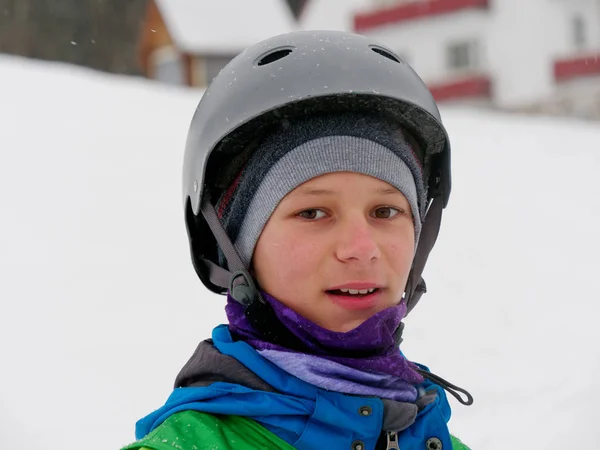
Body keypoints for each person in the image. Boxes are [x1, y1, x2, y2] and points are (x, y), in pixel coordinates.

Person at [121, 30, 473, 450]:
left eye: (385, 211)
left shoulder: (435, 437)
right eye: (313, 213)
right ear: (235, 248)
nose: (361, 248)